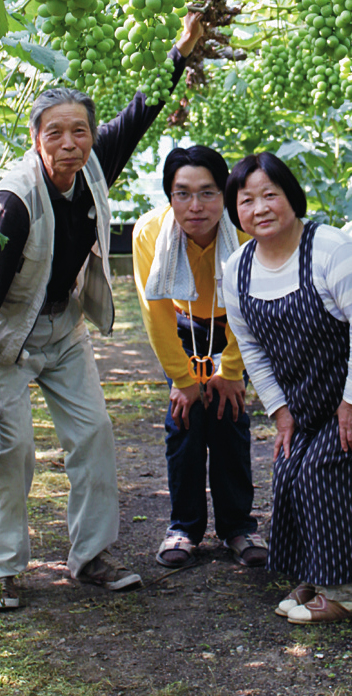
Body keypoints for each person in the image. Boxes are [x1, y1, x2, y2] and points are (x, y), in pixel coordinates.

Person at [0, 14, 205, 611]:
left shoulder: (93, 165)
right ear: (35, 138)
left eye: (80, 132)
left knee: (94, 434)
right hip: (6, 338)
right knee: (12, 453)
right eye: (55, 134)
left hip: (63, 328)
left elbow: (141, 113)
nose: (69, 143)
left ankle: (91, 556)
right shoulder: (11, 203)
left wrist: (179, 51)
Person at [221, 152, 352, 624]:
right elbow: (250, 347)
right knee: (291, 469)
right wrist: (280, 411)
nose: (260, 208)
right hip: (309, 383)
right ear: (237, 212)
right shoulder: (237, 269)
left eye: (271, 194)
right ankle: (317, 572)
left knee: (326, 469)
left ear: (292, 197)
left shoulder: (331, 249)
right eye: (247, 200)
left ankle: (346, 591)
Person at [132, 146, 267, 568]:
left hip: (237, 325)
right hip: (182, 324)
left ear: (224, 195)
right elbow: (155, 314)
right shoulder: (150, 232)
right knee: (184, 422)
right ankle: (184, 528)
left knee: (230, 418)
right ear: (169, 197)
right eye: (183, 193)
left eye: (208, 193)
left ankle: (238, 527)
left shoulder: (246, 231)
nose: (196, 206)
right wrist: (184, 381)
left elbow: (254, 308)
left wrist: (231, 372)